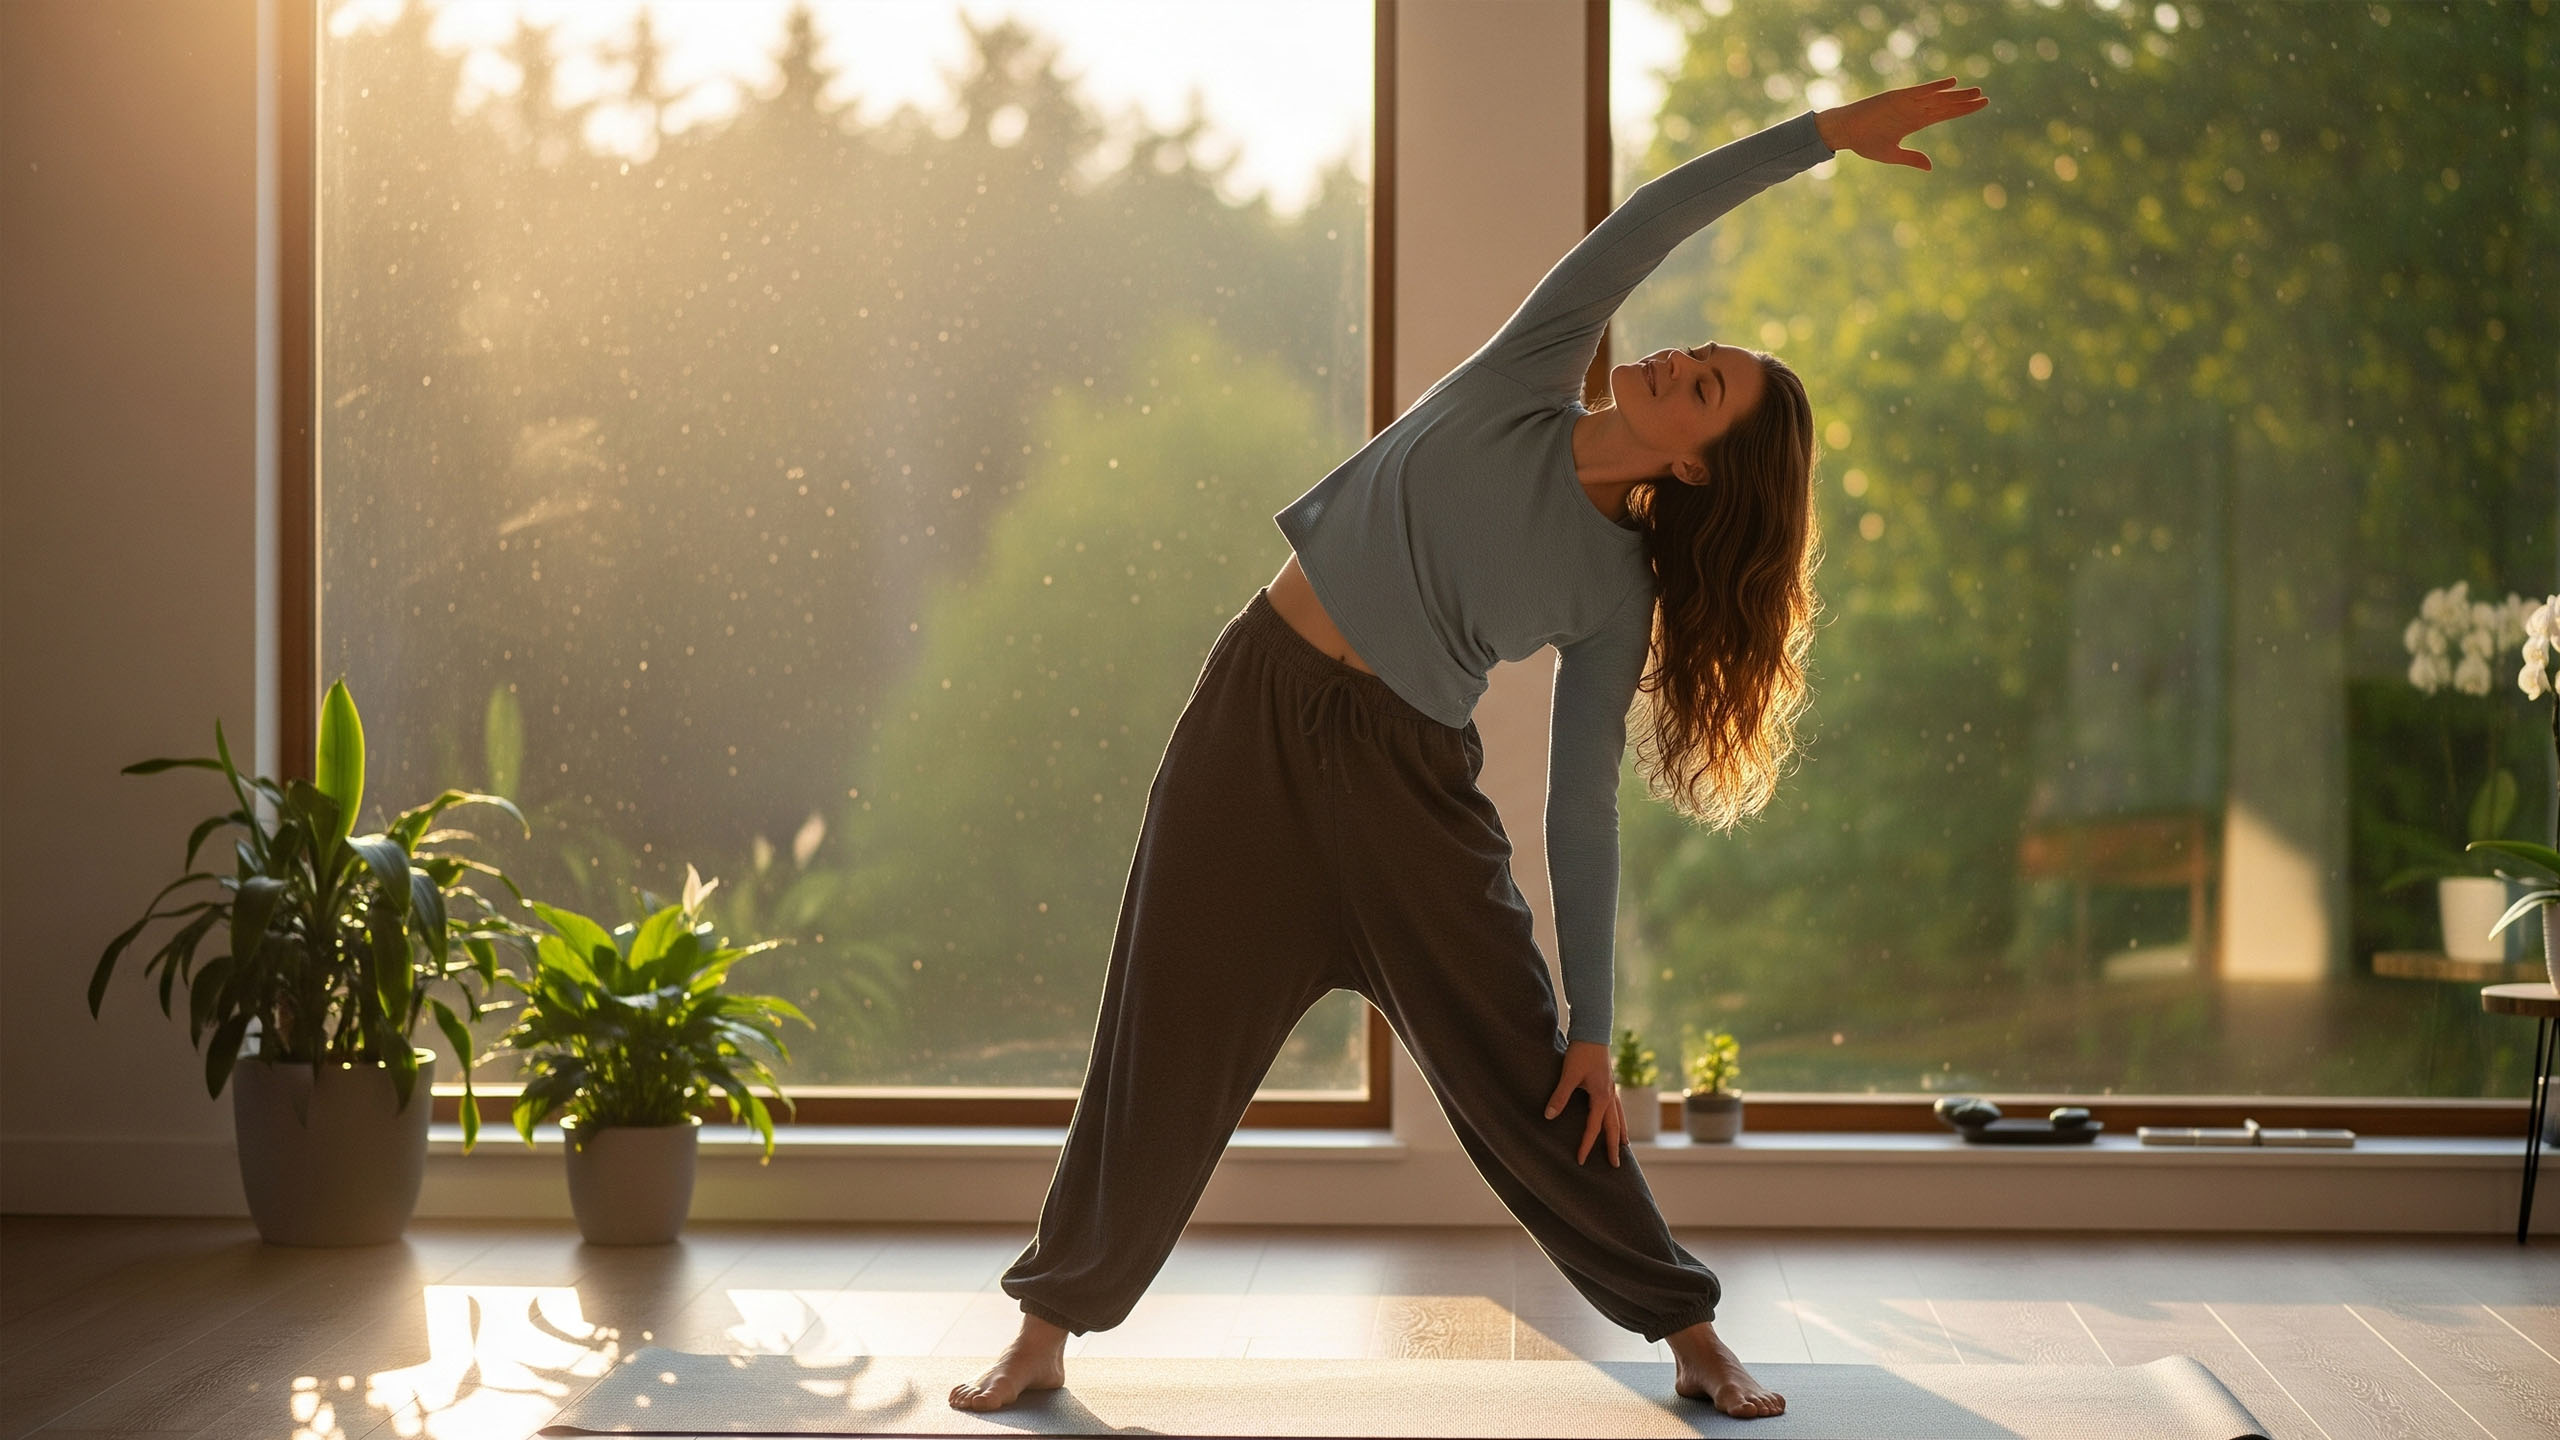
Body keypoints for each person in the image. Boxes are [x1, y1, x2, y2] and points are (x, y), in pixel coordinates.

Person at [952, 77, 1988, 1420]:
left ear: (1693, 470)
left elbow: (1582, 809)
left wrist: (1599, 1029)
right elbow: (1654, 218)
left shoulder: (1616, 594)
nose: (1681, 358)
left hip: (1403, 789)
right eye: (1704, 354)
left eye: (1707, 388)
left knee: (1536, 1076)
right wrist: (1818, 139)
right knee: (1157, 1035)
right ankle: (1045, 1331)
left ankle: (1686, 1328)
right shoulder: (1529, 374)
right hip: (1251, 721)